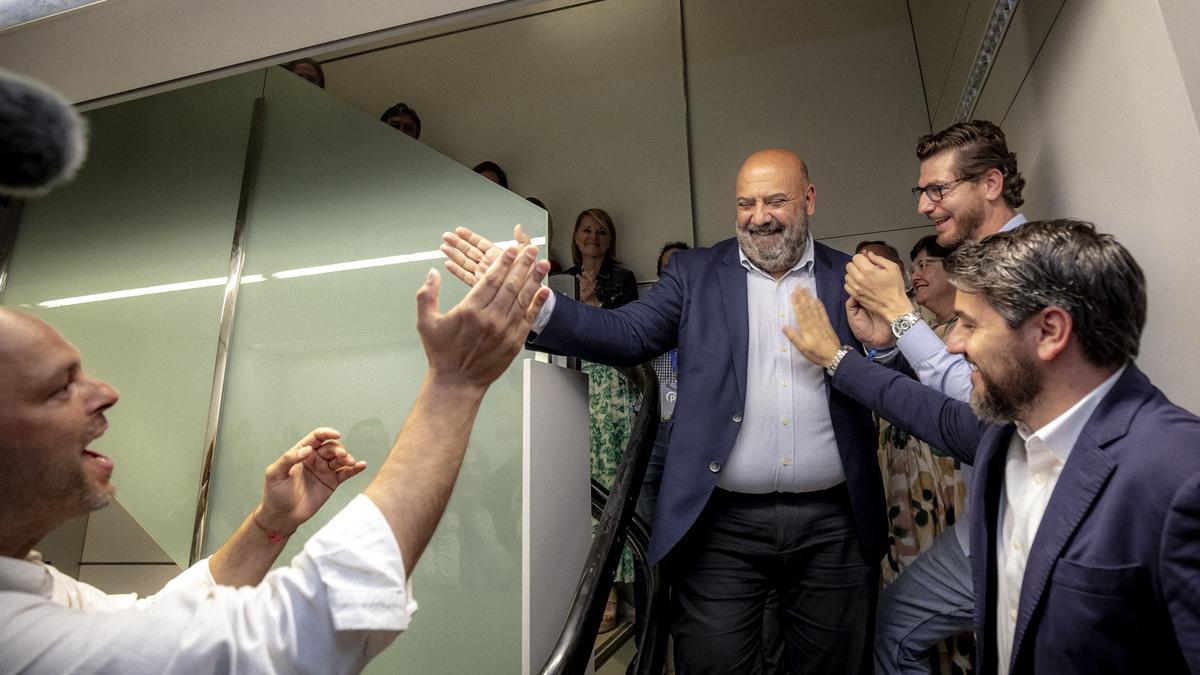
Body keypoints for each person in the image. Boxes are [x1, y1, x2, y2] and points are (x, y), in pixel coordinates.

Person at [0, 245, 551, 673]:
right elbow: (294, 639)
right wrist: (454, 384)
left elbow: (155, 625)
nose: (106, 392)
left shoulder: (27, 584)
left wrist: (270, 524)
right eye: (59, 388)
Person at [441, 148, 886, 673]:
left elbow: (892, 379)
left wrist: (882, 349)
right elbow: (628, 333)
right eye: (745, 203)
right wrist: (540, 306)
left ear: (809, 199)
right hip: (722, 530)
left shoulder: (851, 277)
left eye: (776, 200)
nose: (759, 216)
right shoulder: (696, 274)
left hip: (835, 526)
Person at [784, 219, 1200, 675]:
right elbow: (924, 409)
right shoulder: (1004, 432)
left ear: (1050, 332)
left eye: (969, 324)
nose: (955, 344)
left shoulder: (1178, 475)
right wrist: (836, 358)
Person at [844, 120, 1027, 675]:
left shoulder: (1023, 263)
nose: (924, 206)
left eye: (937, 190)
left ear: (990, 183)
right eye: (921, 192)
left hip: (1018, 523)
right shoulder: (979, 264)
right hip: (986, 519)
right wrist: (884, 342)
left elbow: (983, 397)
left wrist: (900, 316)